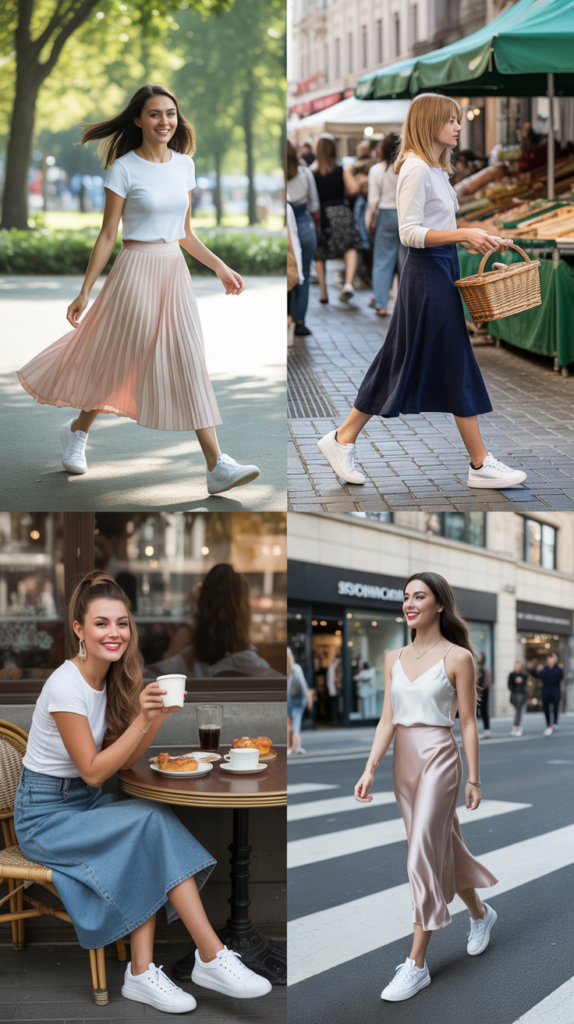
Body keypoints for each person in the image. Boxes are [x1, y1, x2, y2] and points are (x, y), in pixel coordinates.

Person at [14, 571, 272, 1012]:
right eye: (101, 623)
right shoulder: (65, 685)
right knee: (150, 823)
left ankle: (142, 973)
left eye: (121, 623)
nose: (114, 633)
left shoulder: (109, 678)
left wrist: (154, 716)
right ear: (78, 629)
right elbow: (95, 773)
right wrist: (140, 719)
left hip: (81, 805)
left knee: (149, 821)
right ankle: (210, 956)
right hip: (45, 818)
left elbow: (125, 759)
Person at [18, 84, 260, 496]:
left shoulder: (185, 165)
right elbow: (108, 234)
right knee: (114, 356)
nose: (164, 121)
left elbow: (185, 233)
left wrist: (220, 267)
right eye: (154, 114)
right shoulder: (123, 168)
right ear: (137, 119)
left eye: (170, 113)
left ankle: (216, 464)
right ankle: (77, 431)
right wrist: (85, 292)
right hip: (134, 271)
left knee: (187, 359)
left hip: (174, 272)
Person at [317, 92, 528, 492]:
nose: (459, 127)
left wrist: (475, 237)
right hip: (426, 273)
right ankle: (479, 463)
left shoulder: (434, 169)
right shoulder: (415, 168)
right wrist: (463, 233)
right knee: (454, 360)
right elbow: (409, 232)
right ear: (430, 122)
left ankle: (342, 438)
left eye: (459, 120)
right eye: (451, 120)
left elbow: (437, 224)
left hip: (439, 267)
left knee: (400, 357)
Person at [355, 572, 498, 1003]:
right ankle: (480, 913)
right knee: (442, 848)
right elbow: (387, 719)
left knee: (421, 852)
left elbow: (469, 722)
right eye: (406, 597)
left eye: (420, 596)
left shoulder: (458, 657)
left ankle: (416, 963)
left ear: (439, 605)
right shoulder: (393, 656)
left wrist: (474, 777)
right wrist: (369, 768)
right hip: (403, 761)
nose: (410, 603)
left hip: (439, 756)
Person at [149, 563, 280, 678]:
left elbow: (160, 672)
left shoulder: (190, 640)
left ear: (204, 598)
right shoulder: (248, 657)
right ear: (243, 606)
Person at [313, 134, 363, 305]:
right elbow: (354, 189)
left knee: (320, 253)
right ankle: (348, 284)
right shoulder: (342, 169)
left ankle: (323, 292)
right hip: (341, 212)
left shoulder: (312, 173)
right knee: (349, 247)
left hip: (322, 215)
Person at [366, 132, 407, 317]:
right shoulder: (406, 167)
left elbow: (373, 200)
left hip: (385, 214)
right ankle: (405, 305)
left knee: (382, 261)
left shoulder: (376, 170)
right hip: (406, 215)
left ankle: (381, 304)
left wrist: (369, 220)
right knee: (405, 262)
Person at [287, 140, 320, 336]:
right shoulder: (305, 173)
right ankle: (299, 321)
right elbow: (315, 205)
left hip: (287, 226)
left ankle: (286, 316)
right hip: (304, 224)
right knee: (303, 274)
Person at [351, 140, 375, 283]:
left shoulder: (372, 165)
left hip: (367, 202)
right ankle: (364, 272)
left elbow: (361, 184)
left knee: (366, 237)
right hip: (362, 202)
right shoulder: (357, 164)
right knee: (362, 236)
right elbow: (356, 184)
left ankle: (366, 272)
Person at [531, 652, 563, 736]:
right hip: (546, 691)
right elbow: (538, 675)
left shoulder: (558, 669)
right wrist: (538, 669)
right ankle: (548, 724)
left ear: (556, 659)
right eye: (549, 657)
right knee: (546, 708)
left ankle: (554, 723)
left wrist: (543, 674)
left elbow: (554, 677)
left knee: (555, 707)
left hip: (555, 690)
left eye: (552, 657)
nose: (550, 659)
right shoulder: (544, 669)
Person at [287, 647, 309, 755]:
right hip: (298, 699)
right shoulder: (296, 668)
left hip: (287, 699)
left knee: (288, 724)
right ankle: (296, 748)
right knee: (296, 724)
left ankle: (288, 747)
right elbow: (304, 685)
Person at [508, 660, 528, 736]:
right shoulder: (511, 675)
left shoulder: (523, 675)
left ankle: (516, 727)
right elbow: (509, 685)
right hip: (514, 695)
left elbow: (524, 685)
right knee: (518, 712)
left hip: (521, 695)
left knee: (518, 711)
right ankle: (517, 726)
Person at [477, 651, 492, 738]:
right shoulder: (487, 671)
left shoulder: (477, 670)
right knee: (484, 712)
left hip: (478, 693)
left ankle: (482, 731)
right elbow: (488, 683)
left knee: (475, 713)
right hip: (484, 692)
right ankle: (487, 730)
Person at [326, 653, 343, 725]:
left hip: (334, 689)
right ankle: (335, 721)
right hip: (335, 689)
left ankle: (335, 721)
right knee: (335, 706)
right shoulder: (335, 665)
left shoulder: (333, 665)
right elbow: (333, 678)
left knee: (335, 706)